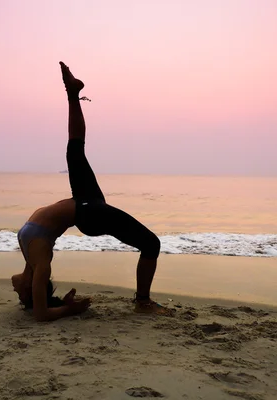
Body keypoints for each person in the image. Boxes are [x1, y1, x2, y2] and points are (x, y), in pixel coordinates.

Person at [11, 62, 174, 321]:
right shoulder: (40, 265)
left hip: (86, 200)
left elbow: (28, 292)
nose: (15, 292)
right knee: (151, 244)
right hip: (88, 213)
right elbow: (40, 316)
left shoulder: (30, 259)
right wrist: (69, 309)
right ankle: (143, 302)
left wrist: (53, 300)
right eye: (23, 297)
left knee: (75, 148)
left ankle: (72, 93)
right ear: (34, 290)